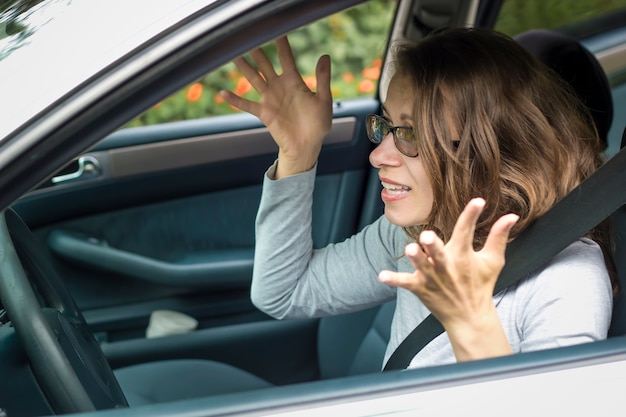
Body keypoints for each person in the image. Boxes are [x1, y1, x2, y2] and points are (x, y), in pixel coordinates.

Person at [220, 27, 616, 369]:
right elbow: (284, 293)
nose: (378, 155)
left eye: (410, 134)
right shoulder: (419, 232)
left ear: (490, 150)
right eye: (388, 125)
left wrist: (470, 324)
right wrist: (298, 153)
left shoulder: (567, 280)